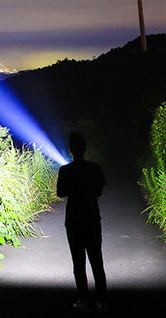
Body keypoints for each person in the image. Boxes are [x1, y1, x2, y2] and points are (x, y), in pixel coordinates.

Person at [57, 131, 108, 313]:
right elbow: (99, 192)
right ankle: (102, 301)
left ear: (70, 149)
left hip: (73, 221)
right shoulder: (95, 168)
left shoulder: (65, 170)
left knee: (78, 263)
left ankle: (83, 300)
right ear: (85, 147)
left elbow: (60, 193)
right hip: (92, 219)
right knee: (97, 261)